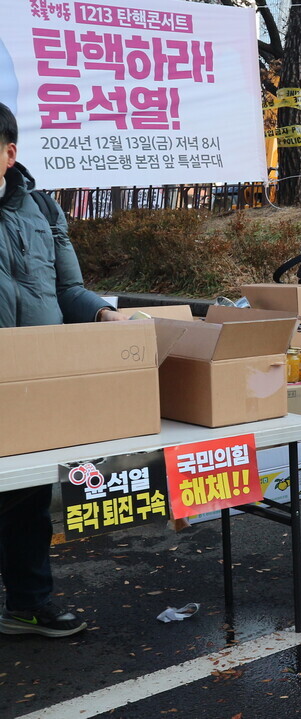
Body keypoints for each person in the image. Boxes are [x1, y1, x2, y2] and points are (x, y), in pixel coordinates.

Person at [0, 102, 128, 638]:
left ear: (8, 153)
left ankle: (28, 604)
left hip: (32, 381)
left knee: (26, 500)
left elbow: (66, 290)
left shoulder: (43, 212)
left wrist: (104, 314)